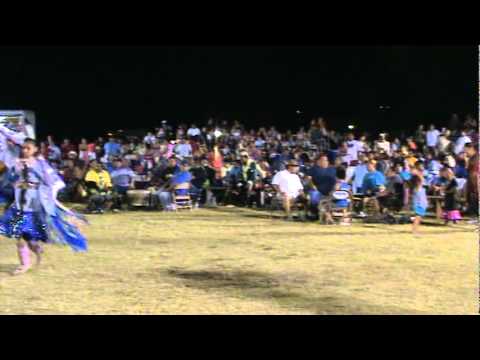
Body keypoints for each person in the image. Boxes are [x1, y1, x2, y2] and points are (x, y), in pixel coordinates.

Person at [0, 138, 88, 275]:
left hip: (33, 207)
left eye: (28, 148)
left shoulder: (40, 164)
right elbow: (10, 177)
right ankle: (25, 264)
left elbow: (48, 182)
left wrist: (29, 184)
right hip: (18, 206)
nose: (24, 150)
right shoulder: (16, 163)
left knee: (29, 238)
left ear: (35, 149)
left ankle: (36, 252)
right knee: (19, 236)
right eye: (23, 148)